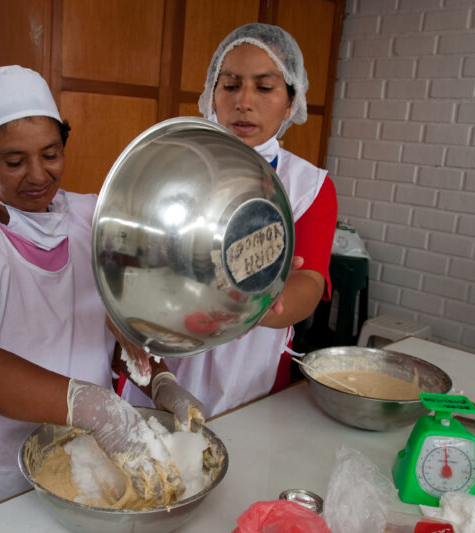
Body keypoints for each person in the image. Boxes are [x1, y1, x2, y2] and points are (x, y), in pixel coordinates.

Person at [0, 65, 194, 517]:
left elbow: (112, 330)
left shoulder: (93, 219)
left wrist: (160, 381)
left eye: (51, 154)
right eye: (14, 162)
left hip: (90, 455)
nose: (38, 175)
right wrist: (97, 407)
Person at [121, 23, 337, 417]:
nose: (244, 102)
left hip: (250, 367)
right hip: (165, 353)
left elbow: (311, 279)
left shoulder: (307, 187)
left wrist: (268, 306)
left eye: (264, 87)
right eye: (231, 85)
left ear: (291, 101)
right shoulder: (173, 158)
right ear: (212, 93)